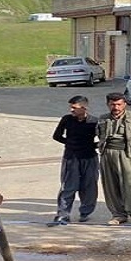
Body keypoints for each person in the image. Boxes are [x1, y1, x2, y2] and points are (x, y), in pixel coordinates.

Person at [96, 92, 131, 224]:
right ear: (108, 104)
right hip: (108, 154)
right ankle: (118, 215)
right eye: (112, 104)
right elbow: (99, 134)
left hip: (129, 154)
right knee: (111, 186)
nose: (116, 107)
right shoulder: (103, 119)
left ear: (124, 104)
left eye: (119, 104)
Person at [49, 95, 99, 225]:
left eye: (74, 107)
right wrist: (70, 143)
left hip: (89, 158)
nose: (71, 110)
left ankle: (85, 212)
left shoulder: (94, 121)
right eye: (70, 107)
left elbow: (103, 138)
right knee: (68, 187)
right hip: (71, 157)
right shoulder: (67, 120)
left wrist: (92, 145)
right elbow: (57, 136)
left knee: (89, 186)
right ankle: (63, 214)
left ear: (84, 108)